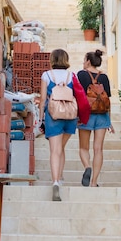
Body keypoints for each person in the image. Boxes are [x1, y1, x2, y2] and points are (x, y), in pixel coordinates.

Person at [39, 48, 77, 201]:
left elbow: (42, 99)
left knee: (55, 150)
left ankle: (55, 181)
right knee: (61, 148)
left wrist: (41, 118)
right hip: (70, 115)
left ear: (52, 60)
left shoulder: (47, 75)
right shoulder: (72, 76)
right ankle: (60, 177)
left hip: (53, 115)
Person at [77, 49, 114, 187]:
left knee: (83, 148)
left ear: (88, 61)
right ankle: (94, 182)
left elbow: (77, 95)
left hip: (86, 115)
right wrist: (109, 121)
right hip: (102, 116)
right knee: (98, 149)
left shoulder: (81, 75)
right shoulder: (104, 77)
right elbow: (108, 100)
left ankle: (87, 167)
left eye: (84, 59)